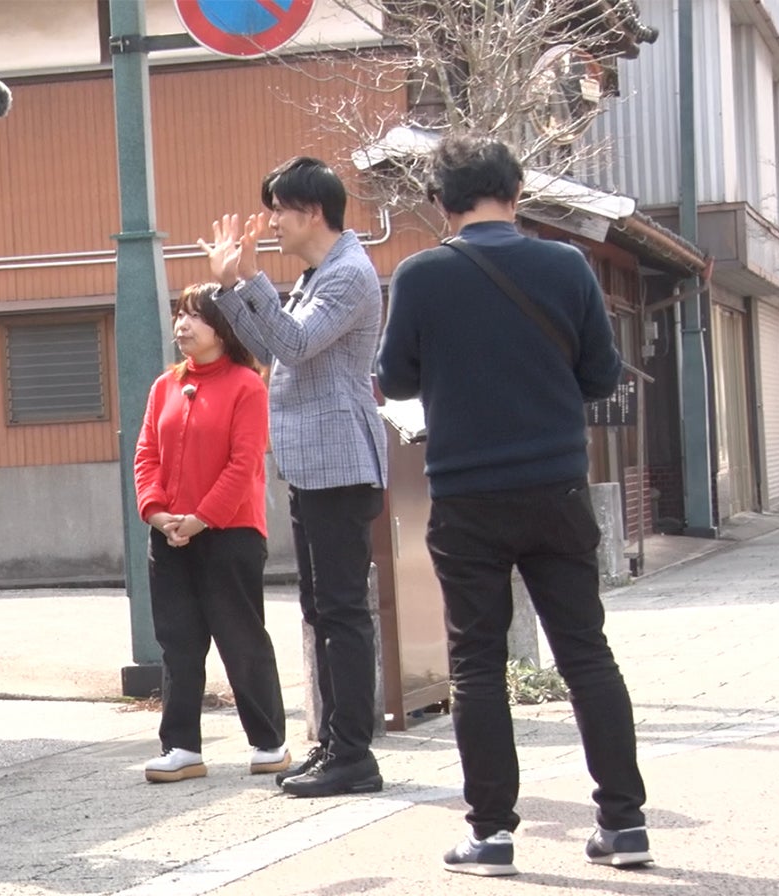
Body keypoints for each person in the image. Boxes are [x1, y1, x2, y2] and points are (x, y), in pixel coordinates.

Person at [375, 135, 651, 876]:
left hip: (467, 496)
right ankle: (624, 825)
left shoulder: (421, 274)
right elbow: (601, 375)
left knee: (477, 664)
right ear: (518, 191)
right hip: (557, 486)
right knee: (586, 654)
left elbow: (395, 379)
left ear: (440, 200)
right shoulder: (567, 266)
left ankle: (491, 834)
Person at [197, 157, 388, 799]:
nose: (272, 221)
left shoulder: (349, 273)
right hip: (316, 464)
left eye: (279, 209)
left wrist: (247, 277)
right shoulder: (317, 275)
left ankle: (354, 753)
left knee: (341, 611)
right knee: (320, 609)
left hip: (342, 463)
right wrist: (231, 287)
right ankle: (335, 742)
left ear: (312, 211)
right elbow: (270, 345)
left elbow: (298, 343)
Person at [133, 283, 288, 784]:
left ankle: (269, 742)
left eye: (195, 316)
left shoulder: (247, 385)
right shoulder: (164, 386)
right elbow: (146, 454)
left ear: (223, 328)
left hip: (230, 533)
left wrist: (202, 517)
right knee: (177, 642)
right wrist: (157, 513)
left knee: (240, 638)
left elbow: (244, 463)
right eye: (180, 314)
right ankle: (181, 746)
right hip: (170, 534)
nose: (182, 324)